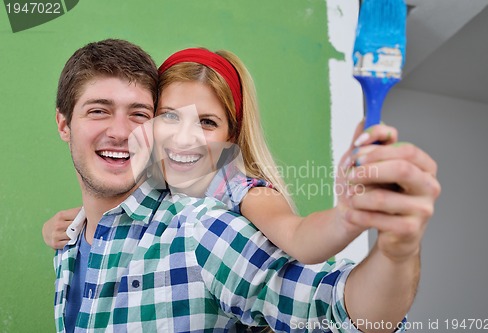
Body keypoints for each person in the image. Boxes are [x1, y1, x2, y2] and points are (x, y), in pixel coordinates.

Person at [51, 38, 440, 332]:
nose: (120, 132)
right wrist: (75, 226)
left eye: (138, 114)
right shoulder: (74, 241)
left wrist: (390, 245)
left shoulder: (207, 219)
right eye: (98, 111)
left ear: (230, 140)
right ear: (64, 124)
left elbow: (332, 303)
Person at [44, 47, 401, 265]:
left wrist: (349, 216)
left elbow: (300, 238)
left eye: (207, 122)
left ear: (230, 135)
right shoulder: (151, 185)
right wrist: (64, 226)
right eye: (169, 116)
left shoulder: (241, 191)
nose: (185, 138)